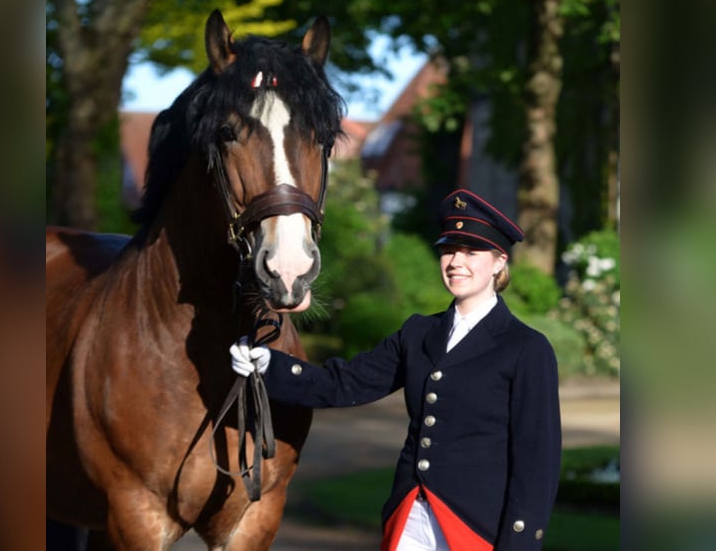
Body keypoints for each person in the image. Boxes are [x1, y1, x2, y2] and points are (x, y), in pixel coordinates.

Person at [231, 188, 562, 551]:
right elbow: (346, 383)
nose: (456, 262)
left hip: (475, 527)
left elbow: (536, 462)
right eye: (449, 250)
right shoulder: (419, 332)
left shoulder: (526, 348)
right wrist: (270, 365)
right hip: (409, 519)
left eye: (471, 252)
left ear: (499, 262)